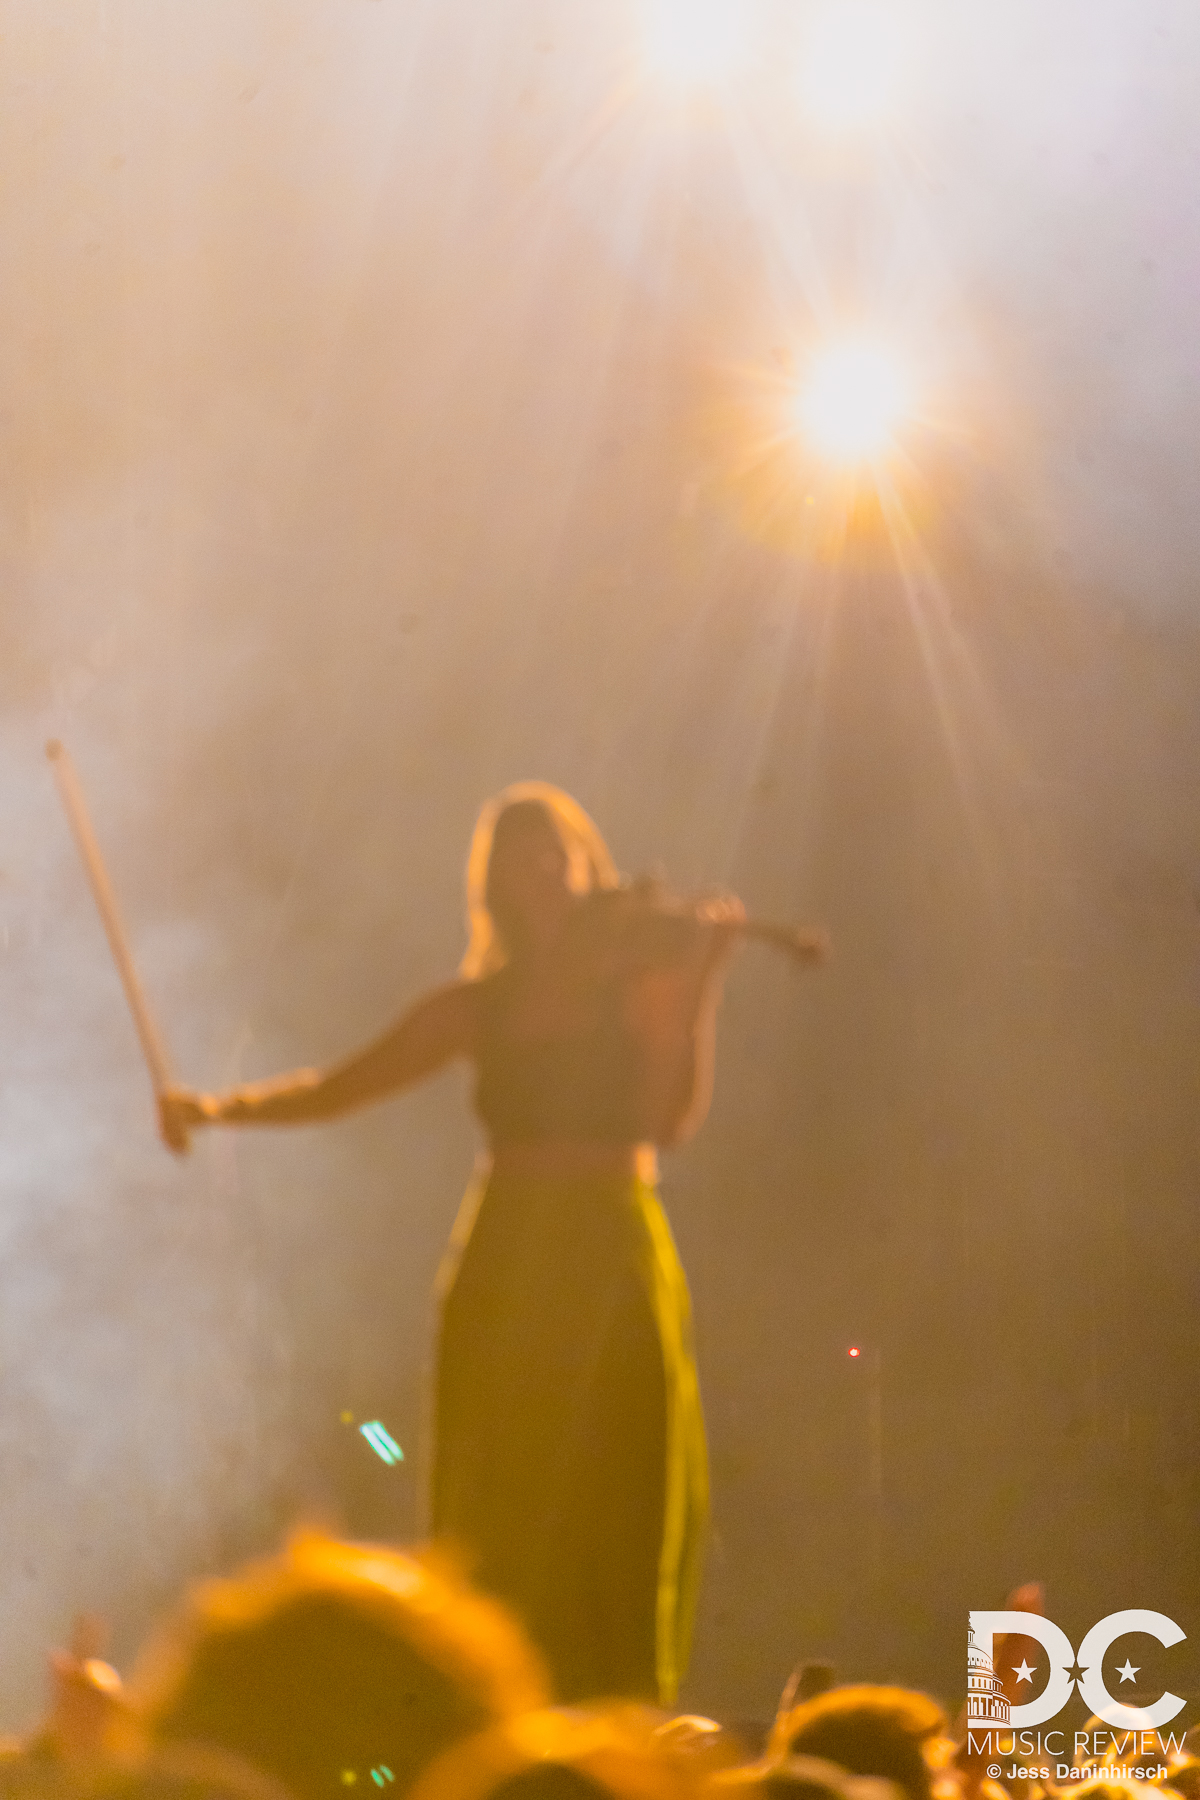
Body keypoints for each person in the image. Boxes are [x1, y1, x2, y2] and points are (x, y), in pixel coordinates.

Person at [159, 784, 744, 1706]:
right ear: (499, 886)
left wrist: (697, 988)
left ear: (586, 866)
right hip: (511, 1252)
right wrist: (219, 1109)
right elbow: (344, 1084)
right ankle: (497, 1703)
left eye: (559, 856)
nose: (547, 875)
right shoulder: (479, 1007)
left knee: (620, 1482)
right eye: (525, 861)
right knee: (503, 1488)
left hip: (611, 1239)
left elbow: (666, 1122)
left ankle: (612, 1712)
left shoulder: (634, 983)